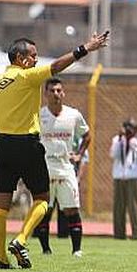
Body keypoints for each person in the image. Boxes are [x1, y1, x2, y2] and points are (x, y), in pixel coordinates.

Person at [0, 31, 109, 269]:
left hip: (3, 148)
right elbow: (57, 66)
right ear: (20, 58)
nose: (36, 60)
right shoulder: (27, 77)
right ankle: (20, 240)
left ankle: (1, 258)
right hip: (27, 146)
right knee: (41, 197)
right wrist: (86, 48)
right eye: (33, 56)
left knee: (0, 206)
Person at [33, 77, 90, 257]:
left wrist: (80, 154)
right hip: (45, 167)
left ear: (63, 93)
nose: (56, 94)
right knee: (45, 209)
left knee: (72, 209)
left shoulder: (73, 114)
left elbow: (87, 135)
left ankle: (77, 250)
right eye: (52, 91)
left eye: (59, 90)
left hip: (66, 168)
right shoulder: (39, 115)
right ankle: (46, 250)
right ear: (46, 94)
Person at [110, 118, 137, 240]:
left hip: (134, 176)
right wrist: (120, 140)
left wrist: (133, 142)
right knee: (118, 207)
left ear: (136, 129)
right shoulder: (117, 139)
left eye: (131, 128)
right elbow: (113, 154)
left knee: (133, 207)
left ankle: (136, 234)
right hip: (119, 176)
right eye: (126, 127)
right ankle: (119, 234)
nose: (128, 130)